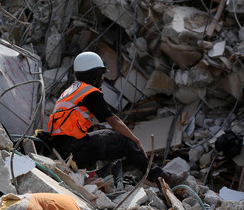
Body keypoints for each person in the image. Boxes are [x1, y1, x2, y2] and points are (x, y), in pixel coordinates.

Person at [47, 52, 187, 187]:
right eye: (101, 74)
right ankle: (162, 178)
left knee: (102, 136)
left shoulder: (71, 91)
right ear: (94, 74)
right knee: (123, 142)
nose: (102, 78)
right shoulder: (89, 93)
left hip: (62, 149)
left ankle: (99, 174)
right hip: (74, 149)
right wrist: (136, 141)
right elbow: (113, 121)